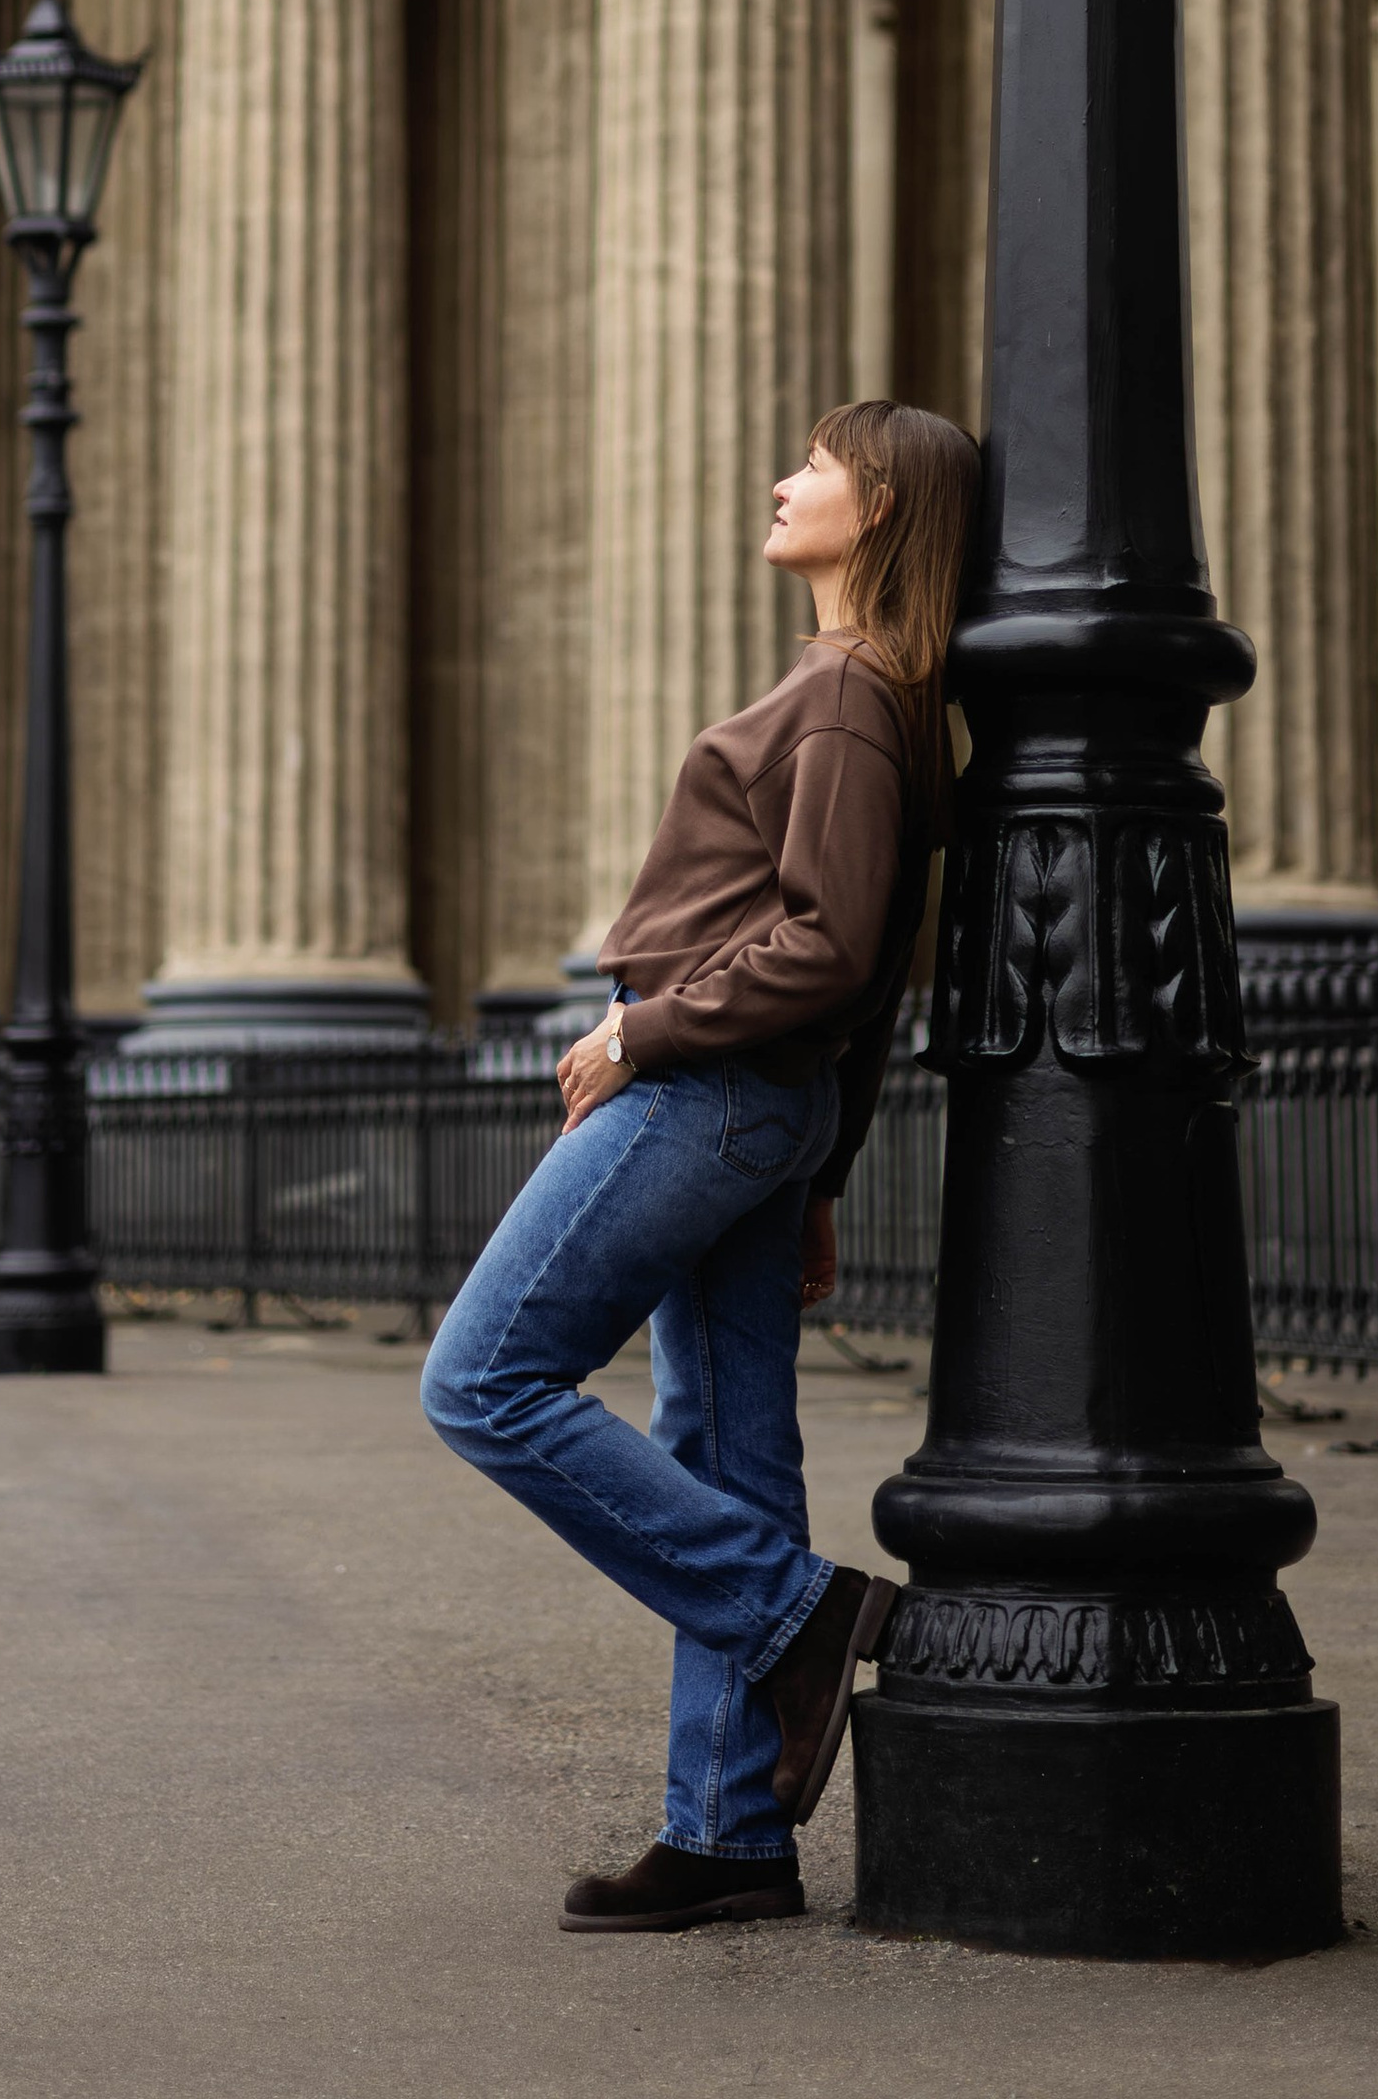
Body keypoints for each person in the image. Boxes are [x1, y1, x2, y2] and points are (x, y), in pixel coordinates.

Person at [421, 397, 980, 1934]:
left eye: (808, 463)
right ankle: (731, 1831)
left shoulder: (854, 698)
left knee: (480, 1384)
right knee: (730, 1445)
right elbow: (867, 979)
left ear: (872, 504)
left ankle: (800, 1617)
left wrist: (645, 1034)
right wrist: (818, 1173)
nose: (781, 479)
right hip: (755, 1104)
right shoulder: (861, 693)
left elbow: (835, 947)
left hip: (705, 1086)